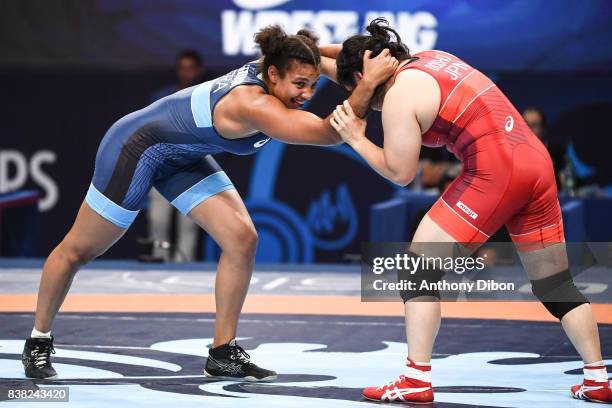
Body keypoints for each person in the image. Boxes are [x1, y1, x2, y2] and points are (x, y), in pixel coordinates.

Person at [21, 25, 398, 381]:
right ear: (272, 75)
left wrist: (365, 66)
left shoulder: (282, 66)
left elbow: (323, 58)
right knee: (77, 251)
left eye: (313, 85)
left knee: (242, 238)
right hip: (136, 149)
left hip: (182, 155)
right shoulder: (253, 104)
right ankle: (38, 340)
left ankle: (222, 354)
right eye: (299, 85)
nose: (306, 94)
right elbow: (330, 133)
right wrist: (369, 83)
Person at [325, 18, 611, 404]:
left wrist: (356, 138)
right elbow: (343, 64)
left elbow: (401, 173)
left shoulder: (397, 98)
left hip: (496, 172)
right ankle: (597, 378)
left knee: (417, 273)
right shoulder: (432, 57)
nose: (364, 100)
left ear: (366, 74)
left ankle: (415, 379)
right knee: (555, 285)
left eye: (357, 86)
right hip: (535, 163)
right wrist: (311, 53)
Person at [147, 50, 206, 262]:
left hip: (193, 170)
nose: (186, 73)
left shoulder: (207, 99)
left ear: (199, 71)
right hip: (162, 169)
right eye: (183, 68)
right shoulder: (162, 98)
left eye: (191, 68)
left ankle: (185, 266)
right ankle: (158, 262)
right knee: (158, 220)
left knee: (189, 224)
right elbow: (149, 132)